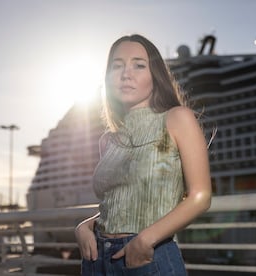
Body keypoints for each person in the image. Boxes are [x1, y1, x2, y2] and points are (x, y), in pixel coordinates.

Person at [75, 34, 212, 275]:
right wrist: (84, 226)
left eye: (139, 65)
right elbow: (117, 202)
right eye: (117, 66)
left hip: (146, 257)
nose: (126, 73)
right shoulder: (108, 139)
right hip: (96, 259)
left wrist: (146, 239)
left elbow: (200, 197)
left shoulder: (177, 118)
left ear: (155, 75)